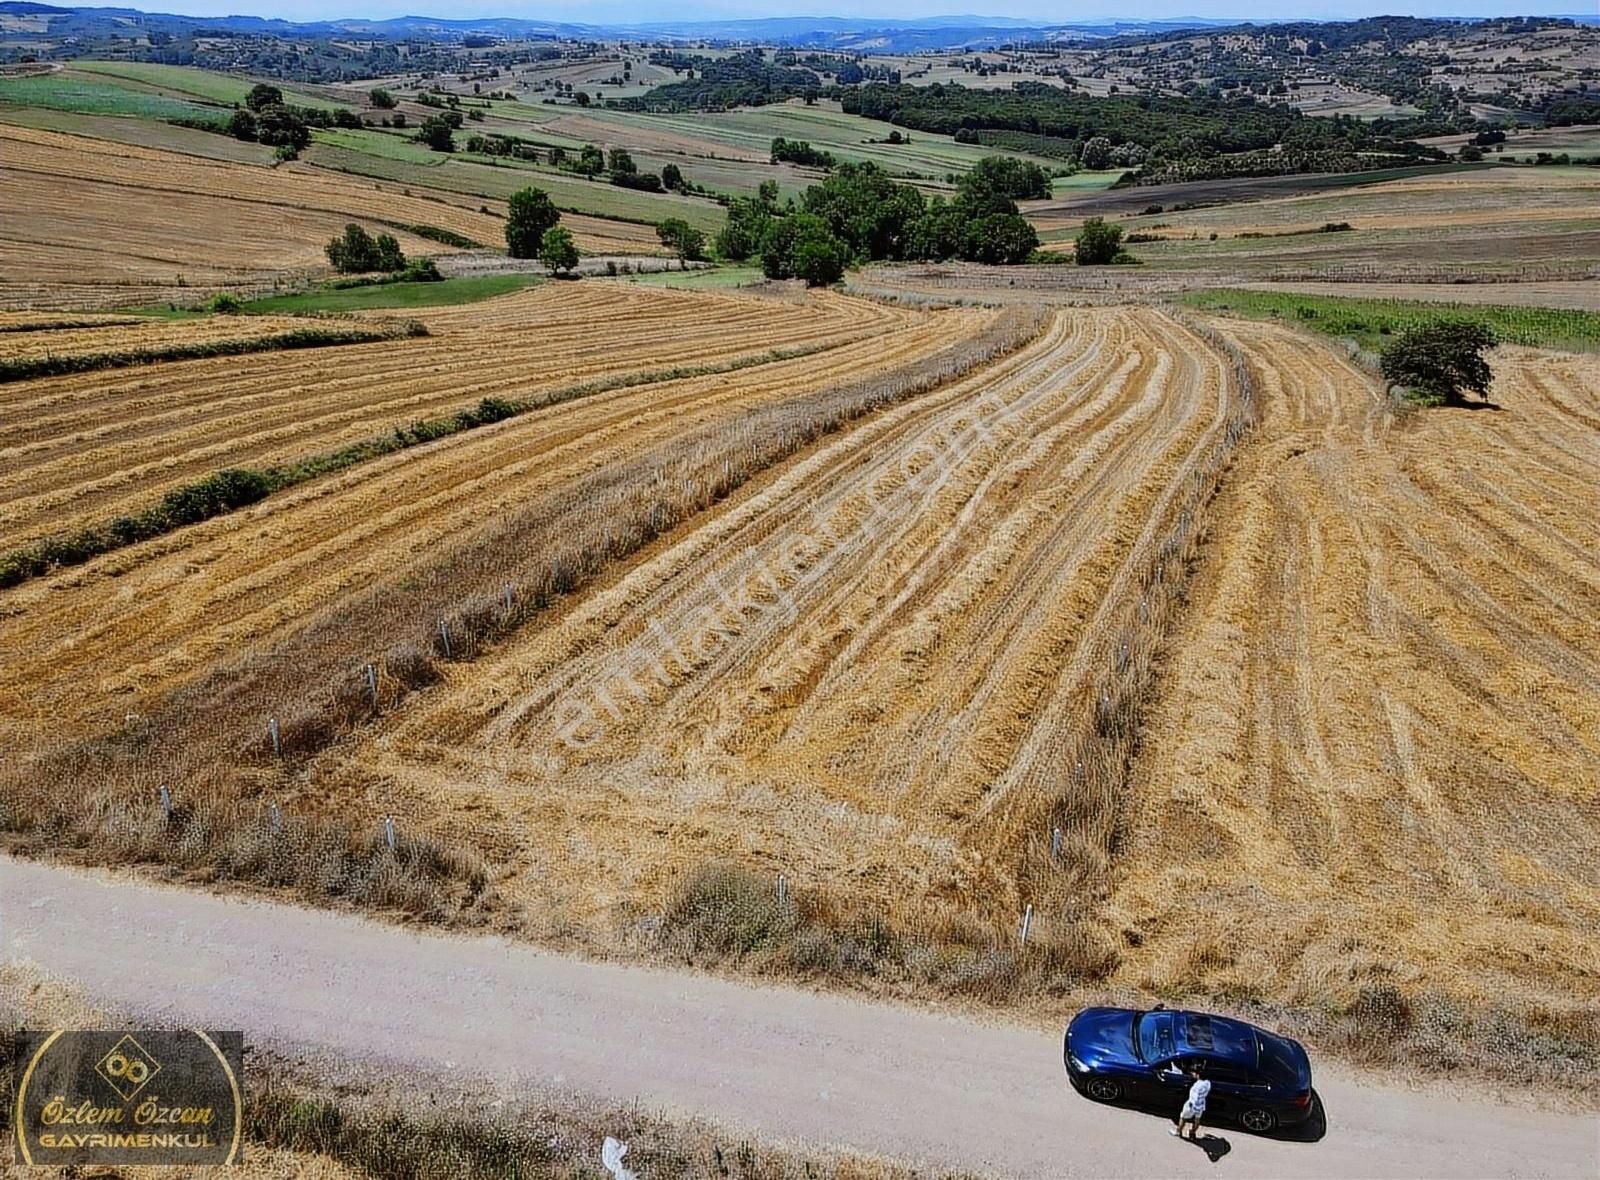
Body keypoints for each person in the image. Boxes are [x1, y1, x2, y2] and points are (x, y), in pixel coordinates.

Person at [1170, 1061, 1210, 1140]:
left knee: (1183, 1117)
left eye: (1194, 1073)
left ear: (1198, 1075)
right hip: (1201, 1105)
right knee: (1197, 1120)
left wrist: (1190, 1106)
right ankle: (1192, 1132)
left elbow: (1194, 1099)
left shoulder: (1197, 1086)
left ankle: (1178, 1131)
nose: (1193, 1074)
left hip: (1192, 1106)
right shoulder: (1207, 1083)